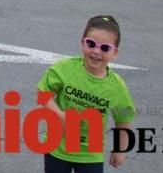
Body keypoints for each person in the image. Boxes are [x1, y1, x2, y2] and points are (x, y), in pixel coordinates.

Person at [38, 15, 135, 172]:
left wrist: (120, 149)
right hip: (57, 148)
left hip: (91, 154)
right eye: (91, 44)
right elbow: (42, 93)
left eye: (105, 48)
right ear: (82, 43)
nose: (96, 51)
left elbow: (123, 119)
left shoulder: (117, 86)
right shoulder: (65, 69)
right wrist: (58, 114)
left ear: (115, 53)